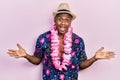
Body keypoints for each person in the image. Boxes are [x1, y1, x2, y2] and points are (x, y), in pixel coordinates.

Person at [7, 3, 115, 80]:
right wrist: (26, 55)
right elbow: (37, 60)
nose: (63, 23)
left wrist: (94, 58)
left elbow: (81, 65)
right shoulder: (43, 38)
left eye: (67, 19)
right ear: (55, 20)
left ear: (70, 22)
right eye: (60, 19)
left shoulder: (78, 41)